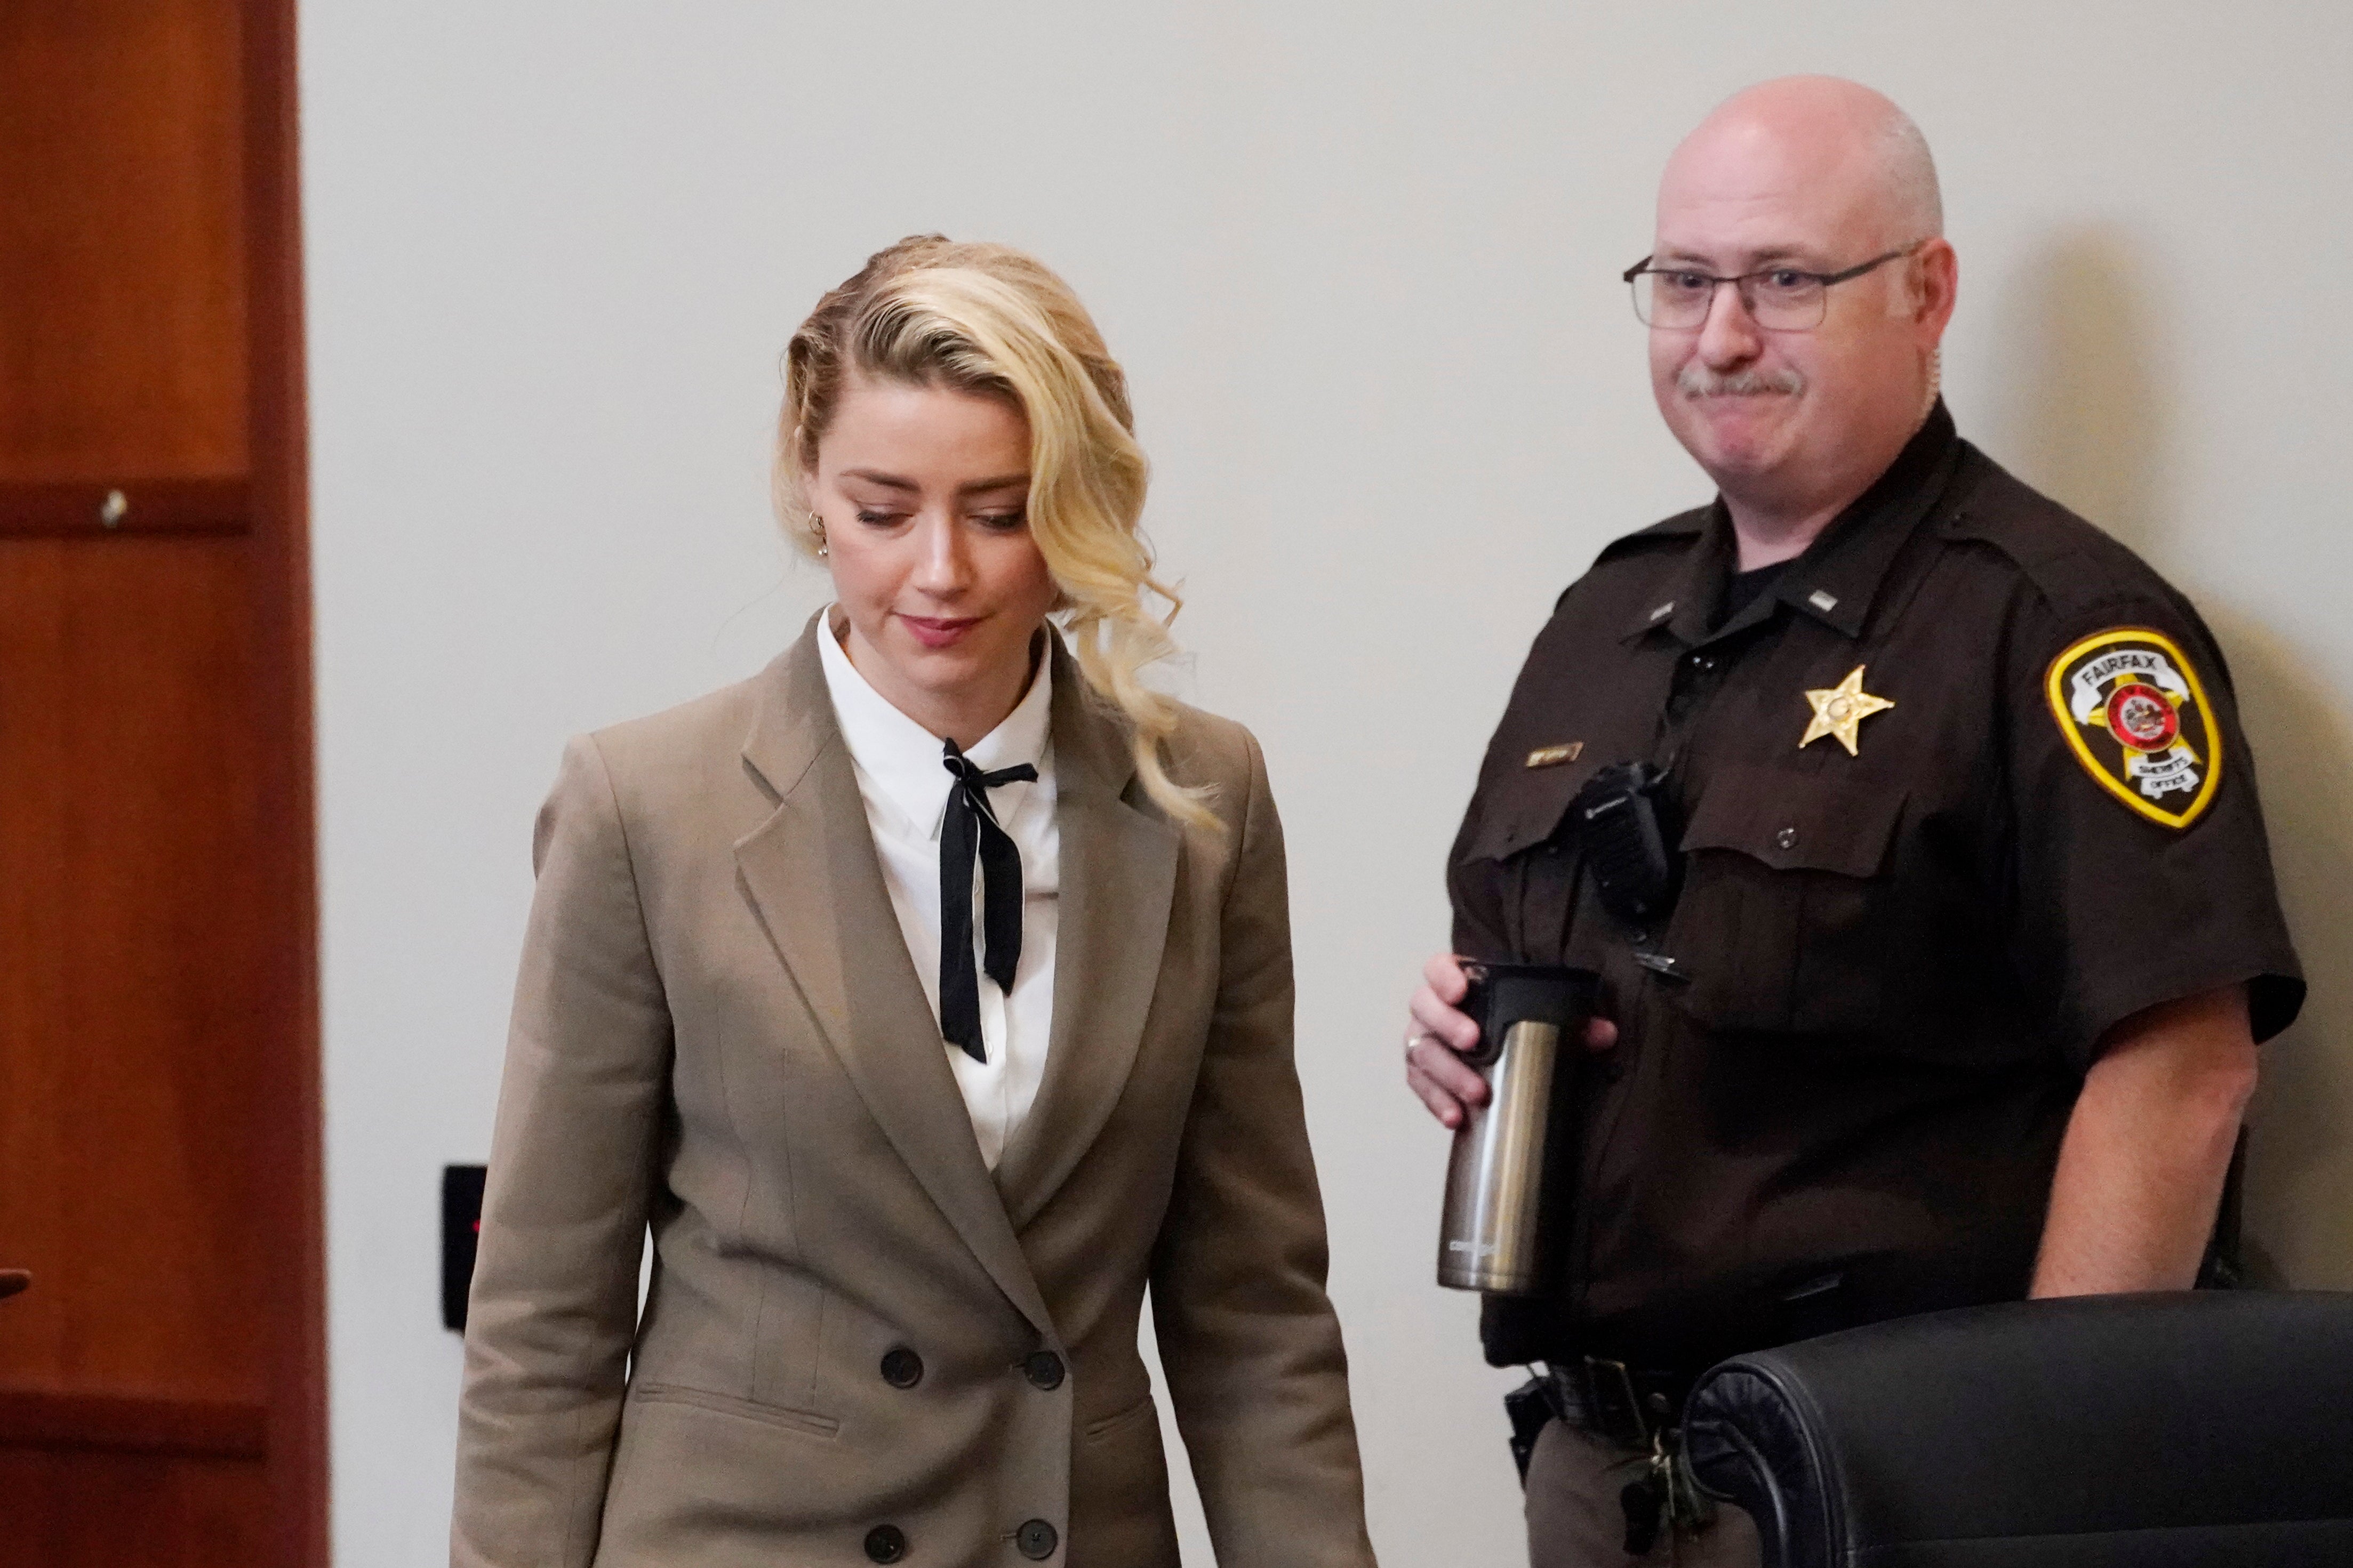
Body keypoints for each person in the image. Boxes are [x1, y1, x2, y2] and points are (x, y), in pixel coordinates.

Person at [1401, 78, 2302, 1568]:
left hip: (1893, 1480)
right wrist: (1445, 1020)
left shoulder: (2058, 628)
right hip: (1599, 1467)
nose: (1720, 334)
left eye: (1784, 281)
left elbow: (2182, 1073)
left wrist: (2036, 1471)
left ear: (1925, 293)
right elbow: (1523, 957)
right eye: (1681, 281)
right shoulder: (1602, 619)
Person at [453, 236, 1377, 1568]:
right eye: (883, 512)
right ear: (809, 492)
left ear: (1080, 508)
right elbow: (545, 1320)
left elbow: (1254, 1310)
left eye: (1000, 513)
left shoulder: (1201, 793)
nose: (939, 572)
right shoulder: (646, 804)